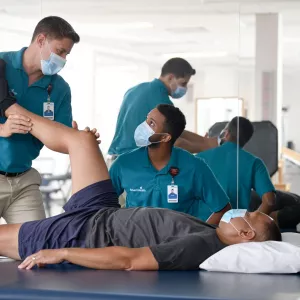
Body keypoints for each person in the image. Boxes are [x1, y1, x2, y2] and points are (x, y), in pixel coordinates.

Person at [0, 103, 281, 271]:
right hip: (101, 210)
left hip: (87, 233)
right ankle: (8, 104)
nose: (242, 211)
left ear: (245, 233)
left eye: (250, 214)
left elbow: (128, 260)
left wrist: (61, 252)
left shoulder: (202, 245)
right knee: (82, 141)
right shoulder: (210, 232)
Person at [0, 16, 80, 223]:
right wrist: (2, 129)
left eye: (66, 54)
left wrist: (77, 139)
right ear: (41, 40)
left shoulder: (60, 88)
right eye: (60, 51)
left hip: (24, 181)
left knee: (35, 247)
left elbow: (59, 139)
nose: (63, 59)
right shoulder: (2, 65)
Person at [109, 104, 231, 224]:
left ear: (165, 138)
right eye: (146, 120)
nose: (143, 126)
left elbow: (223, 209)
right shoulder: (123, 163)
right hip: (135, 241)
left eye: (151, 124)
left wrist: (201, 235)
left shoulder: (194, 167)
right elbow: (101, 203)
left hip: (178, 242)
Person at [108, 58, 217, 163]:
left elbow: (177, 132)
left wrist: (205, 141)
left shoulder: (135, 90)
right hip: (134, 163)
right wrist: (205, 146)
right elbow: (175, 142)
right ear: (170, 78)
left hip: (117, 160)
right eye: (183, 83)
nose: (185, 88)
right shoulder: (161, 100)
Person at [196, 117, 276, 216]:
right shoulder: (254, 162)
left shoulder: (200, 157)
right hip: (235, 228)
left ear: (226, 133)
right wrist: (252, 223)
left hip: (199, 226)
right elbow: (269, 201)